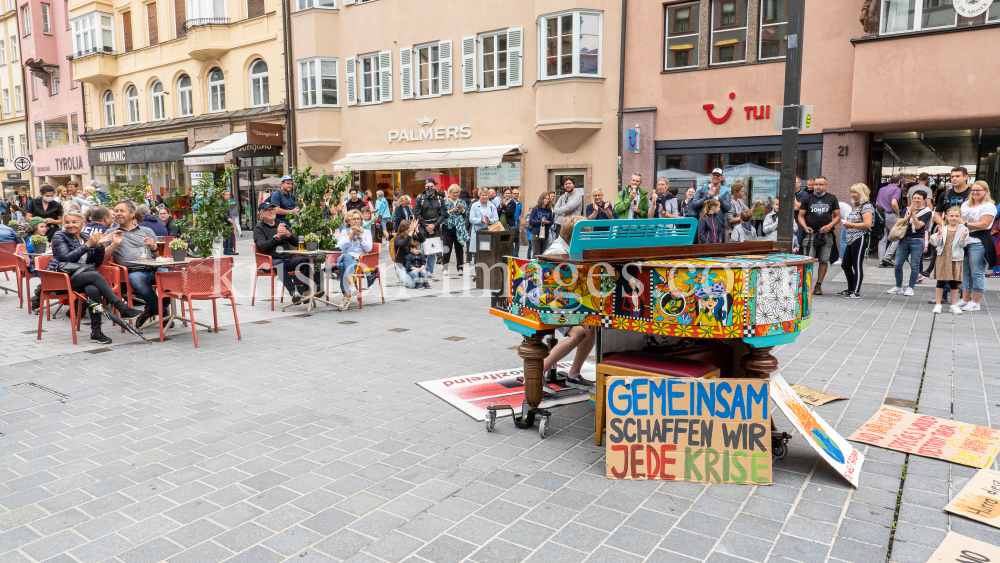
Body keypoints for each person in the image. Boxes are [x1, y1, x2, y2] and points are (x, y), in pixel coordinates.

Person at [49, 211, 142, 343]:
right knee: (93, 275)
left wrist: (98, 246)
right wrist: (87, 245)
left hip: (82, 277)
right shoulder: (59, 236)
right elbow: (65, 258)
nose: (70, 225)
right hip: (61, 279)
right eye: (67, 222)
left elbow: (97, 262)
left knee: (93, 289)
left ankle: (96, 332)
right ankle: (121, 307)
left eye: (74, 222)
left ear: (82, 223)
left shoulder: (86, 236)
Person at [104, 200, 170, 328]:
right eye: (116, 211)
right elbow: (103, 258)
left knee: (170, 278)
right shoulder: (111, 233)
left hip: (155, 267)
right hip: (135, 271)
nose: (118, 214)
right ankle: (163, 312)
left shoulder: (147, 230)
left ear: (132, 214)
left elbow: (158, 257)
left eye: (122, 211)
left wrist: (153, 247)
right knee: (139, 281)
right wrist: (114, 244)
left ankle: (150, 310)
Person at [253, 202, 321, 305]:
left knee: (310, 259)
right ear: (261, 214)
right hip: (269, 261)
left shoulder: (281, 225)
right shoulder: (259, 229)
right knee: (279, 263)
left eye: (273, 209)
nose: (271, 212)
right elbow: (261, 246)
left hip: (288, 260)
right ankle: (294, 293)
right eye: (268, 210)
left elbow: (297, 243)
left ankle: (306, 292)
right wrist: (276, 237)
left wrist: (288, 234)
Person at [957, 181, 996, 312]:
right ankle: (965, 300)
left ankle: (975, 302)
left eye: (978, 190)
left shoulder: (989, 206)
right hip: (965, 241)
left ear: (985, 191)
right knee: (965, 272)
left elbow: (984, 224)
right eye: (973, 190)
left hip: (979, 242)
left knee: (977, 272)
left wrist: (965, 223)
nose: (974, 193)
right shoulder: (965, 205)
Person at [798, 176, 840, 295]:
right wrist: (805, 227)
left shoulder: (832, 198)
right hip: (810, 234)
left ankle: (818, 285)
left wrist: (830, 226)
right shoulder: (807, 198)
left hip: (826, 234)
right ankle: (807, 284)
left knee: (823, 260)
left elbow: (837, 216)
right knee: (807, 260)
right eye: (816, 184)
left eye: (820, 184)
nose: (817, 187)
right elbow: (801, 215)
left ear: (826, 185)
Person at [886, 192, 931, 297]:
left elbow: (919, 226)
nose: (915, 200)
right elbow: (898, 223)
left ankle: (910, 287)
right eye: (914, 198)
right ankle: (898, 287)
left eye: (918, 198)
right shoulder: (907, 209)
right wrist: (909, 215)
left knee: (915, 265)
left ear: (924, 200)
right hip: (904, 238)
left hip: (917, 240)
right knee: (897, 264)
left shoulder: (927, 212)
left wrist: (914, 214)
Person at [930, 207, 970, 315]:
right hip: (943, 256)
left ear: (960, 217)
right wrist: (939, 234)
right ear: (946, 216)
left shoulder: (963, 229)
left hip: (956, 257)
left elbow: (963, 245)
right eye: (951, 216)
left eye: (956, 216)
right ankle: (938, 304)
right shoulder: (943, 227)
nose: (954, 218)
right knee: (940, 281)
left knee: (954, 282)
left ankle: (953, 305)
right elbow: (937, 243)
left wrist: (963, 238)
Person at [839, 184, 874, 299]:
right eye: (852, 192)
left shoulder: (866, 206)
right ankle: (850, 289)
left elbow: (867, 224)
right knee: (845, 264)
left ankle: (856, 291)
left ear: (862, 193)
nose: (852, 194)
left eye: (855, 192)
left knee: (857, 264)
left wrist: (849, 224)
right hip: (851, 238)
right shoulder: (856, 206)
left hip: (860, 237)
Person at [336, 209, 373, 311]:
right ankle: (352, 285)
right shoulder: (344, 232)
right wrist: (352, 235)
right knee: (346, 255)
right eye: (354, 219)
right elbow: (341, 247)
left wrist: (359, 237)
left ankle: (346, 296)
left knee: (342, 265)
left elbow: (368, 249)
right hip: (344, 256)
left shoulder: (366, 232)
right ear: (348, 221)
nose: (357, 221)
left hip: (358, 260)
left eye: (358, 219)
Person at [413, 180, 445, 279]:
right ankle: (420, 271)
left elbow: (443, 214)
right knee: (421, 251)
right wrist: (426, 226)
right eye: (427, 186)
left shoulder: (440, 199)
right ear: (425, 186)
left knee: (432, 252)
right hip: (423, 228)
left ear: (435, 186)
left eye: (431, 186)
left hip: (435, 228)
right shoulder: (420, 198)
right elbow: (417, 213)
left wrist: (434, 225)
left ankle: (429, 271)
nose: (429, 188)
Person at [441, 185, 468, 276]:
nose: (455, 194)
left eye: (457, 192)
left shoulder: (462, 202)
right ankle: (445, 268)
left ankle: (460, 268)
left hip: (459, 228)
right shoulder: (445, 201)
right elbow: (442, 215)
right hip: (447, 227)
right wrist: (450, 211)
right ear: (449, 193)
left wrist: (462, 209)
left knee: (459, 248)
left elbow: (466, 215)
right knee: (447, 248)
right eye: (453, 192)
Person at [468, 187, 499, 264]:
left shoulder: (492, 206)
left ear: (488, 196)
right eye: (482, 195)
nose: (484, 197)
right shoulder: (474, 205)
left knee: (488, 253)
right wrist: (480, 220)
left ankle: (486, 273)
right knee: (477, 254)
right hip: (477, 232)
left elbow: (496, 218)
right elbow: (471, 219)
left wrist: (490, 221)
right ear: (479, 195)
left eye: (486, 195)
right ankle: (477, 273)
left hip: (489, 231)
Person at [876, 176, 902, 267]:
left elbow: (877, 204)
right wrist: (898, 215)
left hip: (880, 215)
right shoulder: (897, 189)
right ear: (898, 182)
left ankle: (881, 261)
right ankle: (887, 256)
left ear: (890, 181)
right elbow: (894, 203)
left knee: (883, 238)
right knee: (898, 235)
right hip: (890, 214)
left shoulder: (882, 189)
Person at [392, 219, 425, 289]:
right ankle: (401, 276)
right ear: (403, 228)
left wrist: (416, 229)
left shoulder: (412, 237)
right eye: (409, 228)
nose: (410, 229)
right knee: (412, 285)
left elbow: (422, 239)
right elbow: (403, 244)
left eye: (411, 227)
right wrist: (411, 232)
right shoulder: (397, 239)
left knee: (419, 283)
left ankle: (407, 277)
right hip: (401, 266)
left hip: (410, 266)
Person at [527, 192, 553, 260]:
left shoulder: (549, 210)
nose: (547, 200)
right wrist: (540, 221)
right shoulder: (535, 208)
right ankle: (534, 269)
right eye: (546, 198)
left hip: (545, 234)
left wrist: (546, 222)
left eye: (548, 199)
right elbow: (531, 221)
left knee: (542, 255)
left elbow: (552, 222)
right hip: (536, 233)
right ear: (542, 199)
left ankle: (540, 270)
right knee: (536, 254)